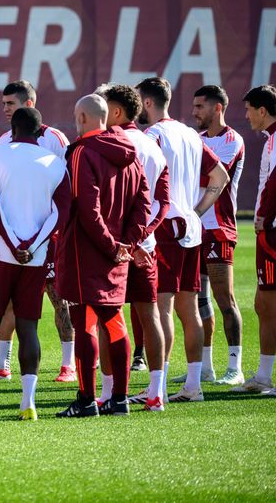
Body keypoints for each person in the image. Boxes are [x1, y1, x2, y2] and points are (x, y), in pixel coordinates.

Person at [0, 107, 70, 422]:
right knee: (29, 328)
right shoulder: (56, 163)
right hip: (36, 257)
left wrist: (13, 243)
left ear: (11, 129)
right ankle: (28, 404)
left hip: (0, 254)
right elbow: (61, 212)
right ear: (42, 133)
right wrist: (33, 243)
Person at [55, 94, 151, 418]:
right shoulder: (131, 151)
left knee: (86, 323)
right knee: (115, 321)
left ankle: (86, 400)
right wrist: (128, 244)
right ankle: (119, 399)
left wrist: (113, 246)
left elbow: (87, 210)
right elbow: (144, 203)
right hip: (117, 252)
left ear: (82, 117)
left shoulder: (83, 152)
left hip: (88, 250)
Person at [137, 77, 228, 403]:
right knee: (189, 307)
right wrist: (196, 210)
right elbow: (220, 177)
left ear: (147, 103)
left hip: (164, 228)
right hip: (190, 227)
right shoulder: (190, 134)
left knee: (160, 308)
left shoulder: (153, 135)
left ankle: (156, 388)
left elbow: (145, 186)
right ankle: (193, 385)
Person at [0, 80, 75, 384]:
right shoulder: (3, 141)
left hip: (49, 235)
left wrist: (58, 228)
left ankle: (68, 364)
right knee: (11, 302)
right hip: (13, 235)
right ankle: (2, 363)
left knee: (60, 299)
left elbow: (66, 185)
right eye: (3, 104)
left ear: (29, 104)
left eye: (10, 104)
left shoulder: (54, 138)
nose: (5, 109)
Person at [96, 83, 170, 411]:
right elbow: (162, 203)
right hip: (145, 246)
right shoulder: (152, 146)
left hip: (112, 248)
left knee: (107, 318)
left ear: (116, 111)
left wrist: (122, 243)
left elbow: (102, 200)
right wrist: (142, 239)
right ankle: (157, 391)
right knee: (149, 314)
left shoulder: (108, 143)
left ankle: (111, 391)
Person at [189, 85, 245, 385]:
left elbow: (212, 175)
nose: (194, 112)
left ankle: (235, 367)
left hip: (218, 227)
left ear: (217, 109)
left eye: (200, 107)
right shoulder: (197, 139)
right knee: (199, 300)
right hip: (195, 229)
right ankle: (206, 366)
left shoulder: (231, 140)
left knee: (226, 299)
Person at [233, 85, 276, 395]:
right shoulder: (271, 139)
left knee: (268, 302)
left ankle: (264, 376)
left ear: (263, 110)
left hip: (272, 231)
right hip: (270, 228)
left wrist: (263, 214)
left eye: (249, 109)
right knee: (263, 302)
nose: (246, 115)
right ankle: (263, 374)